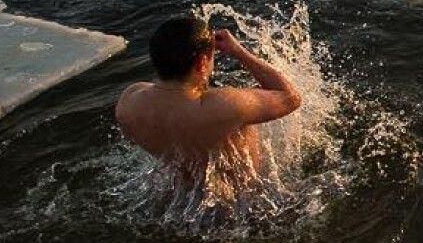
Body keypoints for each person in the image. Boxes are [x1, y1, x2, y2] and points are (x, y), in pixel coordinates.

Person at [115, 17, 301, 183]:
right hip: (242, 202)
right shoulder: (223, 106)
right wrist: (238, 51)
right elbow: (290, 97)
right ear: (201, 63)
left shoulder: (130, 101)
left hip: (184, 199)